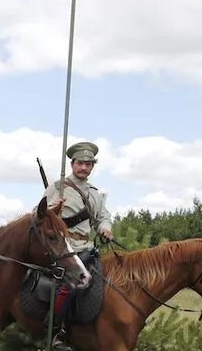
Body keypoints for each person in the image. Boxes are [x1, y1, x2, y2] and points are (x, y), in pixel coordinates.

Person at [44, 141, 113, 350]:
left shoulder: (94, 193)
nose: (84, 167)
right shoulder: (58, 188)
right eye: (80, 163)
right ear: (72, 164)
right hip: (64, 249)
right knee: (71, 285)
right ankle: (55, 330)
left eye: (88, 164)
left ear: (92, 167)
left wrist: (105, 227)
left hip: (87, 248)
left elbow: (103, 216)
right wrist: (53, 209)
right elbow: (40, 216)